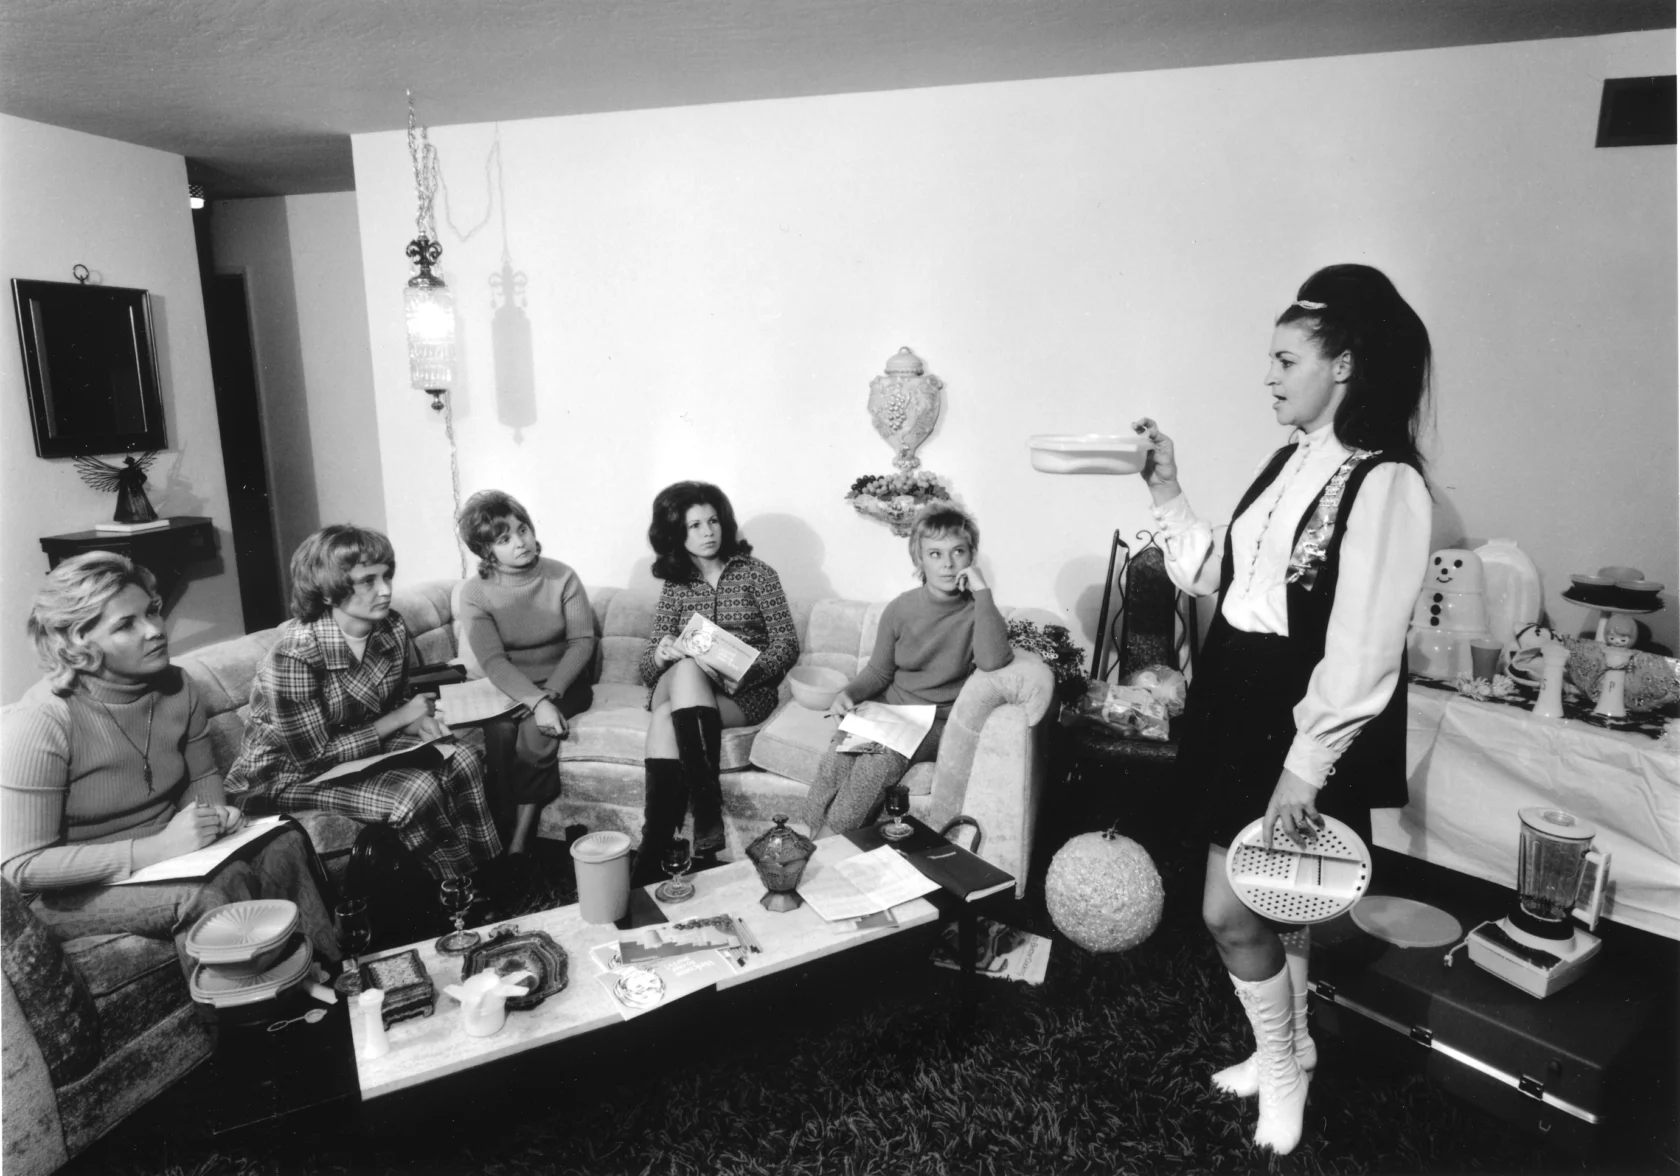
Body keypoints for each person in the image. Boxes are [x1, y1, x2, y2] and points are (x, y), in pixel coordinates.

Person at [1131, 264, 1432, 1155]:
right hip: (1237, 699)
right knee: (1263, 901)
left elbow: (1367, 648)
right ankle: (1287, 1048)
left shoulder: (1387, 483)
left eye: (1284, 358)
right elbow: (1221, 584)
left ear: (1343, 366)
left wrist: (1306, 764)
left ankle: (1284, 1067)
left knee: (1234, 912)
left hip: (1296, 716)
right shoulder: (1289, 459)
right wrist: (1166, 488)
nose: (1268, 376)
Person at [1, 553, 339, 978]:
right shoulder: (40, 721)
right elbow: (21, 868)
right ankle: (248, 1034)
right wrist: (154, 850)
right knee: (211, 890)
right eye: (126, 624)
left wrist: (215, 818)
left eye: (153, 611)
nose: (155, 630)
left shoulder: (180, 688)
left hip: (166, 859)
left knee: (284, 844)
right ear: (78, 642)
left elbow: (202, 778)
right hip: (71, 892)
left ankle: (329, 987)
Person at [226, 525, 503, 884]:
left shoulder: (390, 627)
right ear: (328, 592)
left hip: (357, 749)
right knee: (415, 792)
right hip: (281, 775)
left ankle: (496, 877)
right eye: (368, 581)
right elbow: (314, 758)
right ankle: (461, 893)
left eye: (386, 576)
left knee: (462, 758)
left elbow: (395, 699)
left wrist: (418, 723)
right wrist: (402, 717)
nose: (386, 590)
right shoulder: (295, 656)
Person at [803, 505, 1011, 836]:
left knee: (876, 762)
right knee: (838, 758)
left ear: (971, 556)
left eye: (958, 551)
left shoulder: (977, 613)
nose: (947, 563)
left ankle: (832, 843)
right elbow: (879, 671)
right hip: (889, 711)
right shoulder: (901, 608)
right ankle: (809, 837)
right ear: (920, 560)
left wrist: (983, 594)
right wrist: (849, 694)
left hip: (934, 721)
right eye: (935, 553)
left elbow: (993, 661)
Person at [635, 482, 798, 874]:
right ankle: (706, 811)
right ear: (675, 532)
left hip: (742, 695)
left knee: (663, 719)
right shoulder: (676, 586)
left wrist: (748, 670)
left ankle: (653, 847)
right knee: (687, 667)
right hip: (680, 686)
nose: (707, 532)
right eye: (693, 526)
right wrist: (660, 654)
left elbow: (787, 645)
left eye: (712, 521)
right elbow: (646, 668)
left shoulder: (758, 575)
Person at [455, 490, 596, 858]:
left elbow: (581, 643)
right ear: (486, 551)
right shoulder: (475, 593)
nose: (520, 542)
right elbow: (494, 662)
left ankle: (518, 849)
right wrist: (533, 700)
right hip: (510, 688)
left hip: (565, 683)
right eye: (504, 539)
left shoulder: (562, 576)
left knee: (536, 735)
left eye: (523, 529)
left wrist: (548, 698)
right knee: (499, 733)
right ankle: (495, 842)